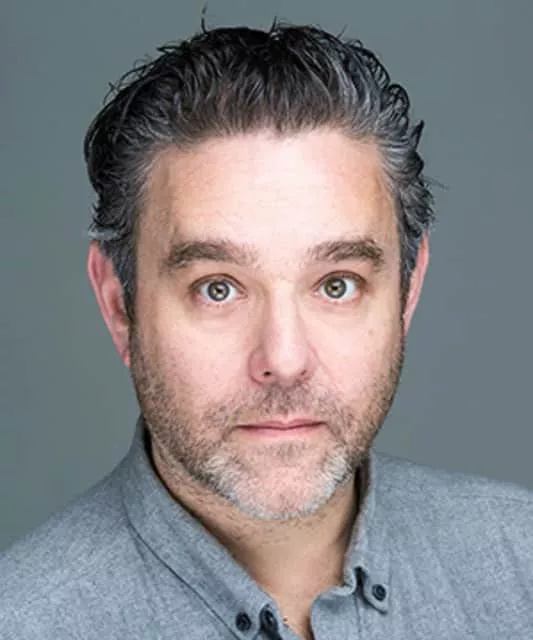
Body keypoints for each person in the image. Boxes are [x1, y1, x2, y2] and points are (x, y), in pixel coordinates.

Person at [1, 20, 532, 640]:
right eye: (217, 288)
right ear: (120, 304)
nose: (284, 359)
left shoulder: (520, 567)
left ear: (407, 292)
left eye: (337, 284)